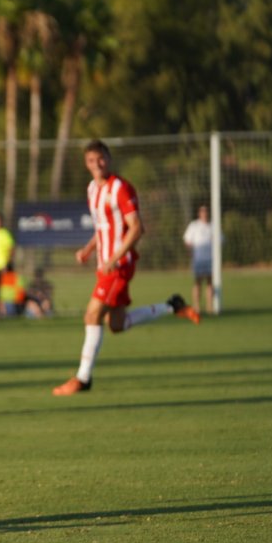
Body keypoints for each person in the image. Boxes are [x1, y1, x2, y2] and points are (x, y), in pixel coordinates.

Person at [53, 140, 201, 396]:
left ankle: (83, 379)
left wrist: (114, 258)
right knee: (117, 325)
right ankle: (172, 305)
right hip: (105, 265)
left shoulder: (120, 188)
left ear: (108, 159)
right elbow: (103, 228)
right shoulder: (91, 189)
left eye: (101, 158)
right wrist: (88, 250)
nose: (97, 164)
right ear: (86, 164)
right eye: (91, 160)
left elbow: (136, 228)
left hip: (119, 266)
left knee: (91, 315)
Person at [182, 205, 215, 314]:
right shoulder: (194, 225)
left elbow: (220, 240)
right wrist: (190, 253)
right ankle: (196, 306)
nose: (204, 213)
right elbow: (187, 240)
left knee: (210, 282)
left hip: (211, 259)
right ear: (199, 213)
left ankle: (210, 307)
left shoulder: (212, 226)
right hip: (198, 259)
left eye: (206, 211)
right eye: (202, 211)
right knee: (198, 282)